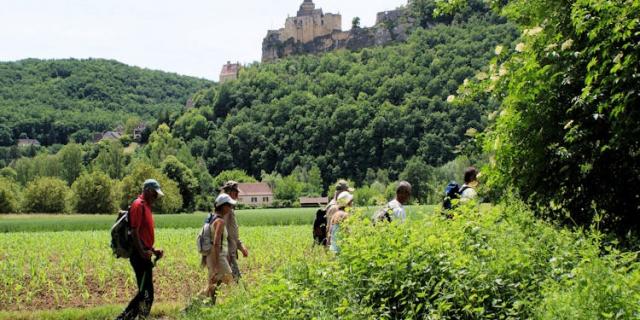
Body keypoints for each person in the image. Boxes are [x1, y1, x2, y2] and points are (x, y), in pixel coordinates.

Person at [117, 179, 164, 320]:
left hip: (144, 254)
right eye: (155, 194)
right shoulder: (138, 205)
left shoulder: (146, 206)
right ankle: (123, 318)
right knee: (146, 293)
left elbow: (143, 235)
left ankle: (129, 318)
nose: (156, 197)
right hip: (139, 256)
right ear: (149, 190)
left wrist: (153, 250)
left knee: (145, 293)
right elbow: (134, 232)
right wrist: (143, 252)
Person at [201, 193, 236, 304]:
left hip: (212, 255)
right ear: (223, 206)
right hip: (217, 256)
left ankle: (206, 304)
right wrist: (216, 265)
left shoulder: (212, 217)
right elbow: (216, 243)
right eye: (229, 205)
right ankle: (236, 305)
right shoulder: (220, 221)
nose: (231, 208)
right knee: (229, 279)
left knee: (214, 282)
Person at [220, 181, 249, 282]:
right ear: (228, 192)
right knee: (238, 282)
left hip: (229, 253)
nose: (238, 194)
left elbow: (232, 234)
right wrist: (225, 254)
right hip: (226, 254)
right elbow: (220, 233)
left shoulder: (229, 209)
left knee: (216, 284)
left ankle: (203, 297)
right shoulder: (225, 210)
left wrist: (241, 247)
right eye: (235, 191)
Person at [326, 179, 354, 246]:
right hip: (338, 245)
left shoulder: (332, 204)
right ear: (342, 192)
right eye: (347, 191)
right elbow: (330, 230)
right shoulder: (334, 208)